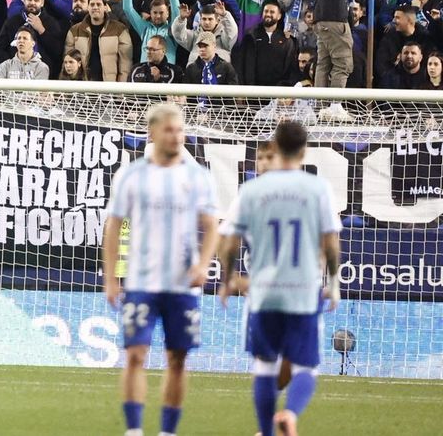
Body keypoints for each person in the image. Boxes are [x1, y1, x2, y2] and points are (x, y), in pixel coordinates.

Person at [103, 102, 220, 436]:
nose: (176, 136)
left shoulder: (197, 176)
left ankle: (168, 432)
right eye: (169, 130)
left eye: (180, 130)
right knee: (136, 354)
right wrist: (111, 279)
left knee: (178, 359)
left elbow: (212, 225)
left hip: (183, 284)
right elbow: (113, 226)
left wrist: (203, 264)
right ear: (152, 133)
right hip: (141, 280)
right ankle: (134, 430)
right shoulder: (132, 174)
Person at [219, 120, 340, 436]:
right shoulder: (317, 189)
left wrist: (228, 278)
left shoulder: (252, 191)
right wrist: (334, 284)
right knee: (305, 369)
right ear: (304, 151)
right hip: (303, 291)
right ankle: (290, 413)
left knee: (264, 367)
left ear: (275, 146)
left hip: (263, 292)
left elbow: (229, 242)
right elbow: (331, 241)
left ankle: (266, 431)